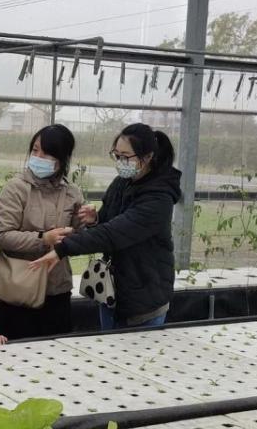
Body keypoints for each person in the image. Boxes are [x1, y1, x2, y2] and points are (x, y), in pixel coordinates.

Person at [30, 123, 182, 330]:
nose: (120, 162)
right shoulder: (122, 182)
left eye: (126, 157)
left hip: (144, 298)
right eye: (116, 155)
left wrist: (62, 249)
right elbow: (107, 223)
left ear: (147, 157)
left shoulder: (159, 198)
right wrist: (95, 219)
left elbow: (113, 233)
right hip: (112, 291)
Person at [0, 124, 86, 339]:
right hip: (20, 286)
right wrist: (43, 239)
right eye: (35, 150)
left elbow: (80, 236)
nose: (38, 156)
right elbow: (1, 235)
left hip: (57, 288)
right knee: (18, 349)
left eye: (46, 152)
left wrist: (88, 221)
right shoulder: (17, 188)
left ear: (63, 158)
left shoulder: (72, 192)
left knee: (57, 350)